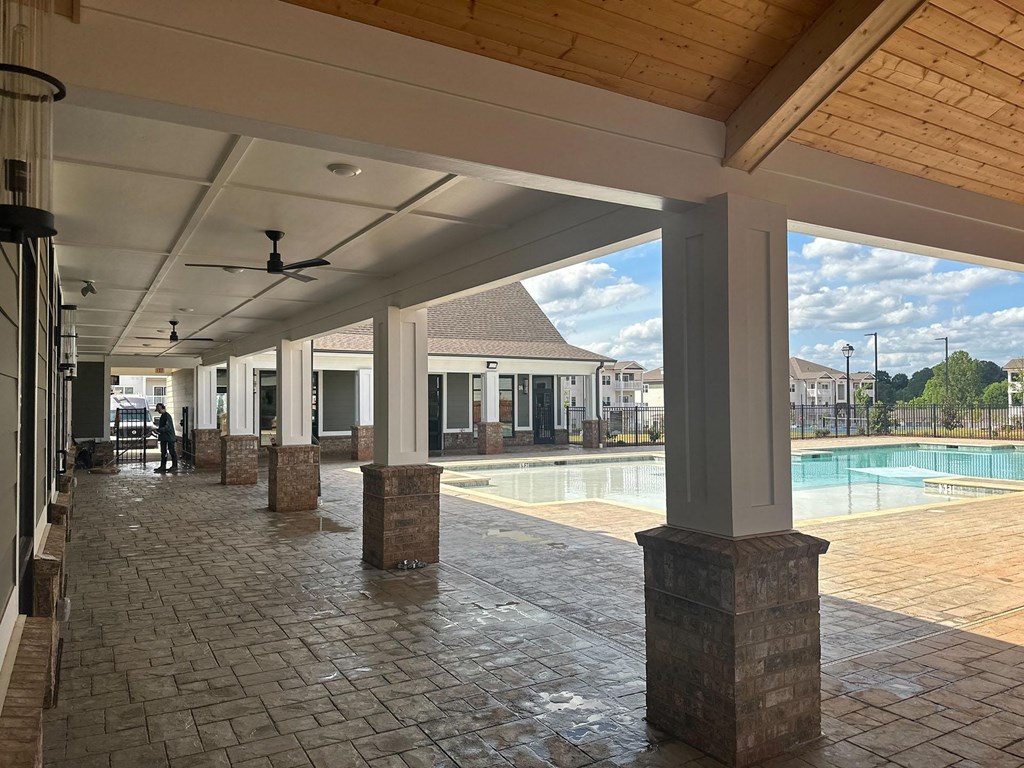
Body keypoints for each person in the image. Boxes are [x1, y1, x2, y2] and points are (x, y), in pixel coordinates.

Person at [153, 403, 178, 473]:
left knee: (172, 451)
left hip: (169, 437)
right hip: (164, 437)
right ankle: (163, 466)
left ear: (162, 408)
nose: (158, 411)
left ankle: (174, 466)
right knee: (163, 452)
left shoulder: (167, 416)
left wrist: (159, 430)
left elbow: (167, 427)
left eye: (158, 410)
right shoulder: (163, 416)